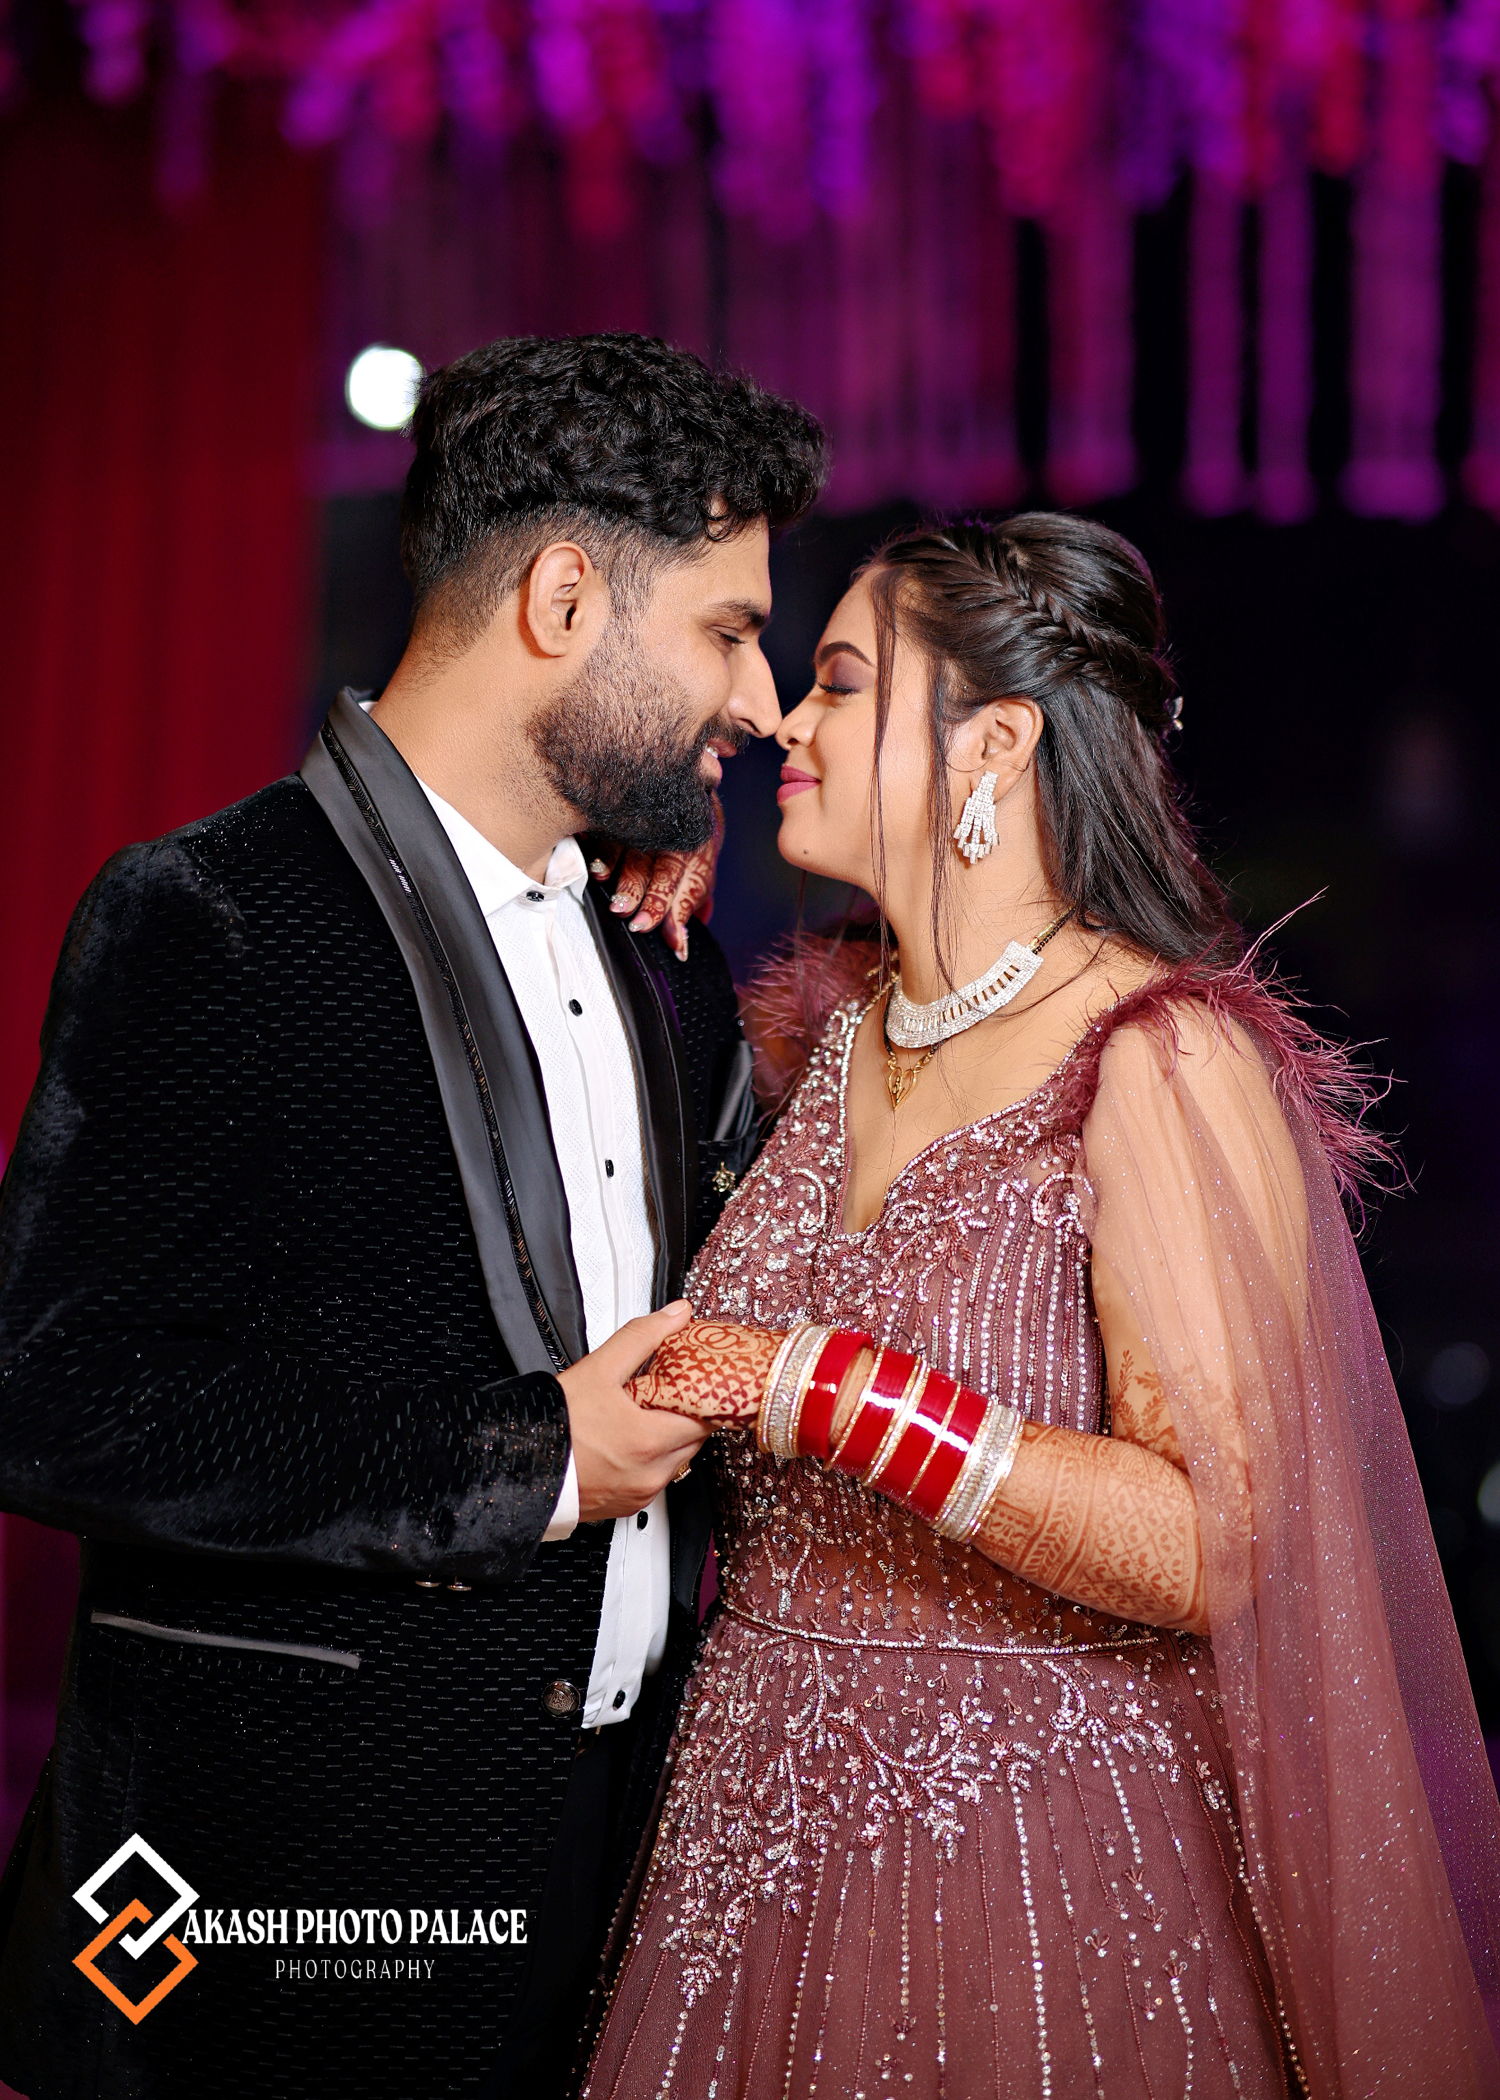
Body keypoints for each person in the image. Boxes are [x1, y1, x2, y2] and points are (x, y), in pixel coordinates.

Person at [0, 332, 825, 2099]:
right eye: (728, 631)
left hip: (614, 1883)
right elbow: (54, 1400)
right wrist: (527, 1460)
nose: (759, 703)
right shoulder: (213, 914)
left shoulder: (660, 953)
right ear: (562, 599)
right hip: (277, 1901)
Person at [584, 513, 1500, 2098]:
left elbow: (1219, 1541)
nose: (788, 721)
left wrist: (830, 1391)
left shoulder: (1156, 1059)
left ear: (994, 742)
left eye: (842, 683)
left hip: (1032, 1859)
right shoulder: (820, 1036)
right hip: (738, 1842)